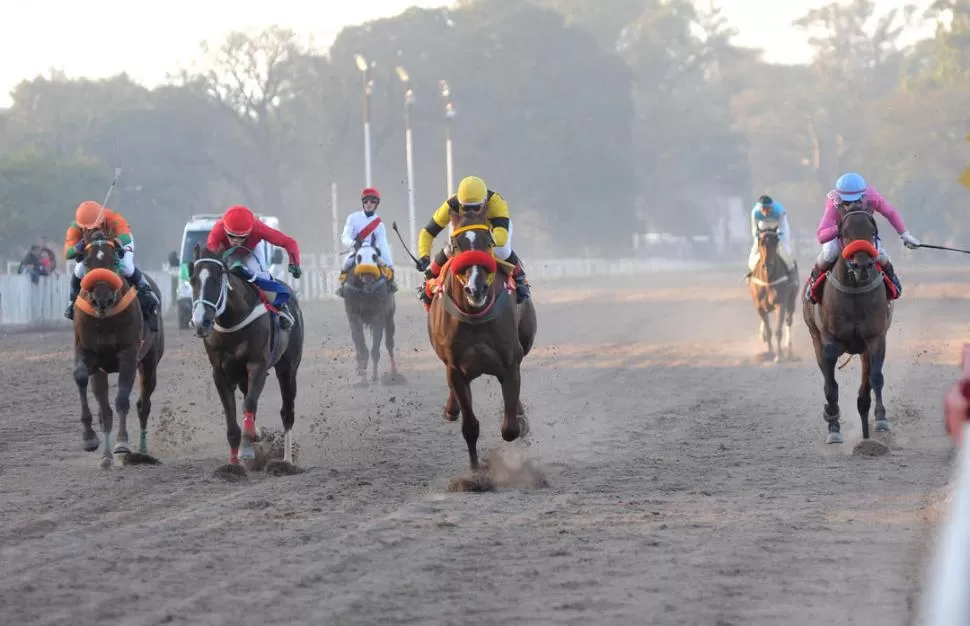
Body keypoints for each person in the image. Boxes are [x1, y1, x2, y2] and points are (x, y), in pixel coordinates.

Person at [805, 172, 920, 303]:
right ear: (840, 197)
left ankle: (891, 277)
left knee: (880, 254)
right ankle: (813, 280)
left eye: (856, 199)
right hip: (842, 234)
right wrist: (840, 229)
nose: (852, 204)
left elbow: (890, 213)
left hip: (864, 233)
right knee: (829, 253)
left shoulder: (872, 196)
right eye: (847, 202)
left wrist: (905, 235)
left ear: (863, 195)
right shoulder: (833, 202)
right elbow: (821, 235)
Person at [416, 175, 531, 305]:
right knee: (449, 249)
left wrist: (485, 241)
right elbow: (427, 233)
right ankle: (427, 279)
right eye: (465, 208)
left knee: (501, 250)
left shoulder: (496, 202)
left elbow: (502, 235)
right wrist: (424, 255)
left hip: (492, 231)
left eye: (476, 208)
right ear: (459, 202)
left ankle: (520, 278)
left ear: (485, 201)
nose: (471, 212)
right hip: (465, 233)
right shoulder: (451, 204)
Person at [64, 200, 161, 330]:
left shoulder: (113, 218)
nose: (93, 230)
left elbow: (125, 237)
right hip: (92, 250)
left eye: (96, 226)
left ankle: (146, 291)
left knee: (126, 266)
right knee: (79, 270)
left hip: (116, 242)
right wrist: (78, 247)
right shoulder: (74, 228)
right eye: (88, 228)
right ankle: (72, 303)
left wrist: (116, 242)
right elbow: (67, 253)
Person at [206, 205, 303, 330]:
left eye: (241, 237)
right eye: (231, 236)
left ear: (250, 231)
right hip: (225, 251)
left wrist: (294, 263)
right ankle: (204, 312)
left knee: (263, 277)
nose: (235, 241)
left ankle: (281, 307)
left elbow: (289, 242)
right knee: (213, 277)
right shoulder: (217, 230)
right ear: (225, 229)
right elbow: (209, 256)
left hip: (250, 251)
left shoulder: (258, 228)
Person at [336, 187, 398, 297]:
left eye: (372, 201)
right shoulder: (352, 218)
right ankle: (342, 286)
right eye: (366, 201)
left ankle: (390, 285)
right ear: (363, 203)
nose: (369, 204)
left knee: (385, 268)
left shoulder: (379, 224)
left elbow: (383, 244)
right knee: (346, 264)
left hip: (373, 253)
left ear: (376, 204)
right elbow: (345, 237)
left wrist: (389, 264)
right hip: (356, 251)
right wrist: (352, 243)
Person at [745, 194, 796, 280]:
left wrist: (779, 233)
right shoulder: (755, 212)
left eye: (768, 209)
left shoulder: (779, 211)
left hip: (778, 223)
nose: (766, 212)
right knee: (755, 247)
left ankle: (791, 269)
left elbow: (782, 228)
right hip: (763, 223)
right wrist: (758, 234)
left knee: (784, 246)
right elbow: (754, 229)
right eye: (764, 209)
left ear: (772, 207)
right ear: (759, 208)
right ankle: (751, 270)